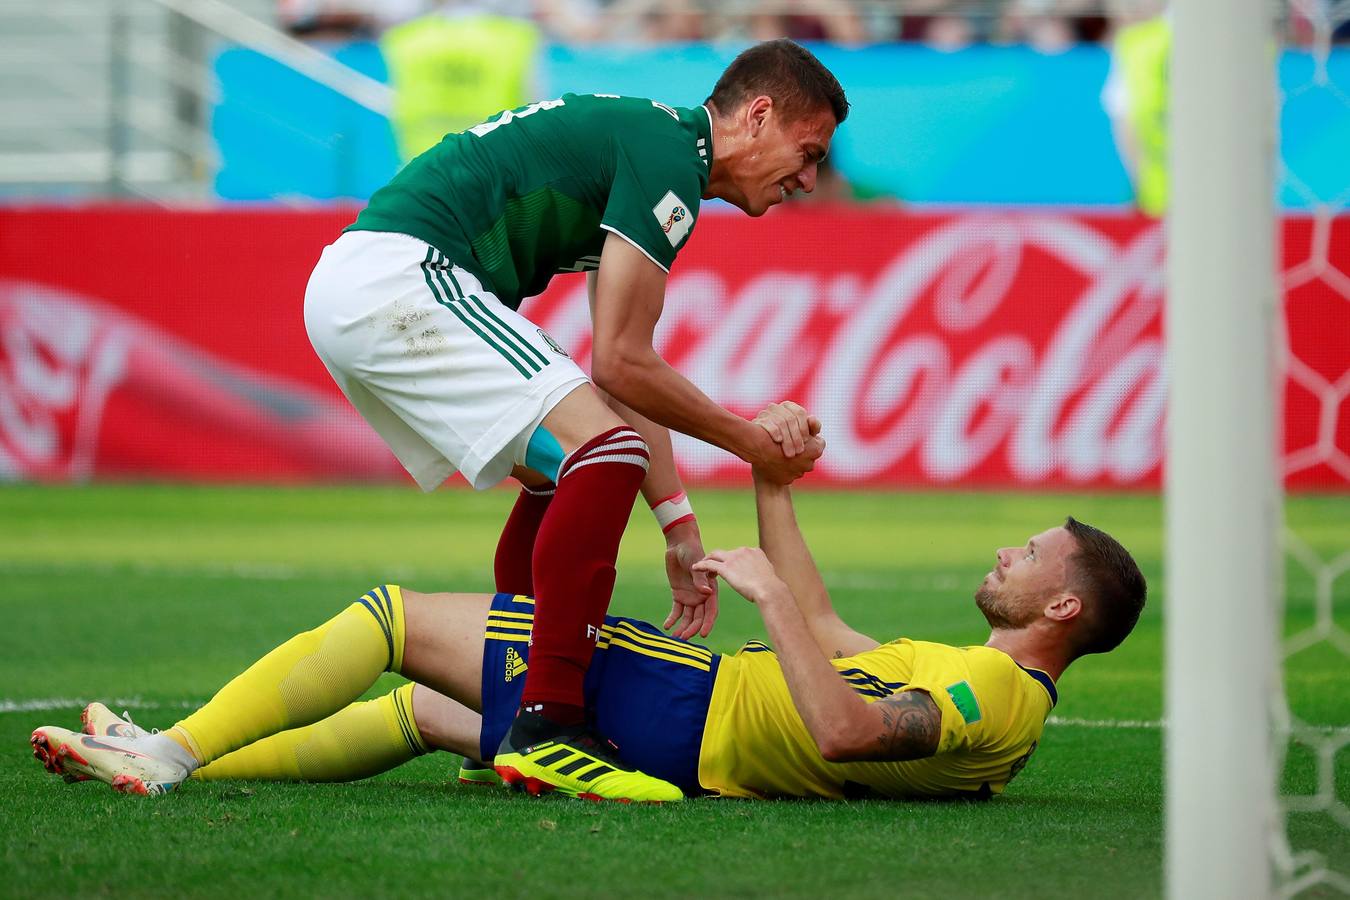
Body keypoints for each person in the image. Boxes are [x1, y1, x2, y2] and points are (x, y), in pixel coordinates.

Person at [31, 408, 1148, 802]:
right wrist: (771, 478)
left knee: (393, 618)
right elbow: (827, 630)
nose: (1006, 551)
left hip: (684, 711)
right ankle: (177, 761)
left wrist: (764, 603)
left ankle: (169, 754)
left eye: (1029, 554)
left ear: (1062, 607)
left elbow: (845, 730)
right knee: (425, 712)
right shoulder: (984, 683)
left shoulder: (996, 688)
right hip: (686, 729)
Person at [300, 39, 847, 801]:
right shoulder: (668, 158)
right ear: (757, 116)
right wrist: (754, 444)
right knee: (606, 453)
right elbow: (623, 365)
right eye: (808, 152)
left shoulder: (652, 146)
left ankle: (505, 708)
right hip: (405, 277)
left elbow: (618, 373)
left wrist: (678, 523)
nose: (810, 180)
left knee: (574, 468)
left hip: (371, 281)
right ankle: (548, 723)